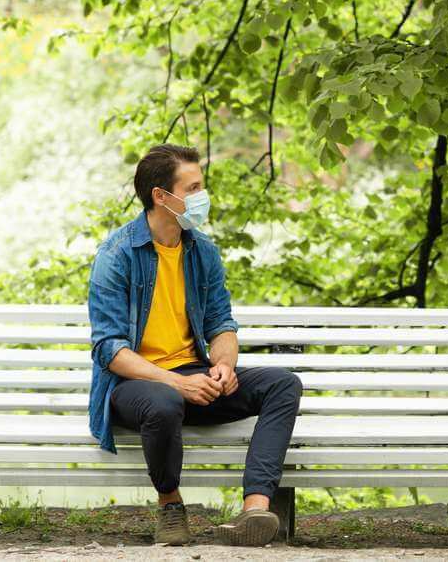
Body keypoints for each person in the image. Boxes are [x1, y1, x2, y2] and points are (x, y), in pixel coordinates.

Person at [87, 144, 303, 546]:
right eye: (194, 187)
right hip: (135, 385)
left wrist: (223, 365)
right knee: (165, 402)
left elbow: (221, 324)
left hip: (194, 377)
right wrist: (175, 384)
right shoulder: (116, 255)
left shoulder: (201, 251)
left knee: (282, 384)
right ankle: (170, 508)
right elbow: (109, 350)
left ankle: (255, 509)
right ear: (161, 197)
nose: (203, 196)